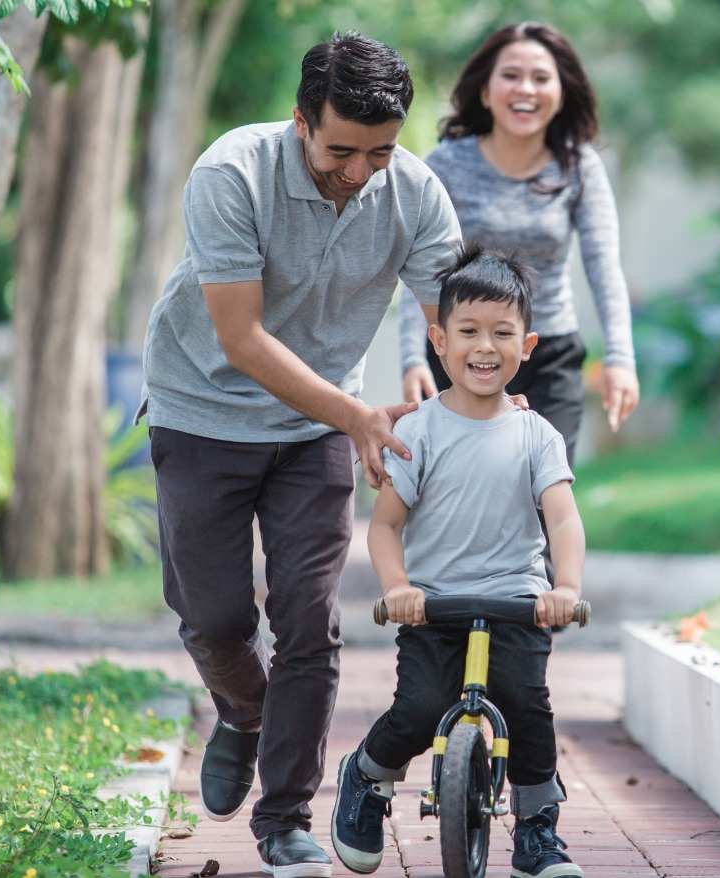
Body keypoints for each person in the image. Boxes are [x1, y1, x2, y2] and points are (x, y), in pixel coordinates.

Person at [140, 31, 461, 877]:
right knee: (212, 618)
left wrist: (480, 396)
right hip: (200, 409)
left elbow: (451, 320)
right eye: (339, 151)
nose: (358, 172)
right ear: (298, 121)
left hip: (315, 430)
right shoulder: (230, 174)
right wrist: (358, 411)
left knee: (309, 626)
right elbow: (239, 337)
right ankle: (243, 714)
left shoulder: (415, 192)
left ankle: (283, 822)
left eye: (380, 152)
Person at [331, 244, 586, 878]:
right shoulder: (418, 432)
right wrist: (397, 586)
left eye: (503, 333)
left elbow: (563, 518)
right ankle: (367, 775)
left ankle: (537, 828)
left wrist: (566, 584)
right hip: (435, 602)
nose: (485, 346)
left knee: (527, 708)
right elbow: (386, 525)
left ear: (526, 346)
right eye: (469, 331)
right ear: (438, 341)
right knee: (419, 709)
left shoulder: (536, 434)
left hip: (516, 599)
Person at [397, 21, 638, 463]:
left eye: (541, 78)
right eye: (510, 75)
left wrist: (621, 357)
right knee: (461, 494)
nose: (525, 88)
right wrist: (413, 356)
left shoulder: (579, 165)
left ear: (561, 93)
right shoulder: (448, 163)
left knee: (546, 492)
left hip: (548, 354)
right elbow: (423, 268)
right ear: (486, 91)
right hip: (461, 352)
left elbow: (604, 266)